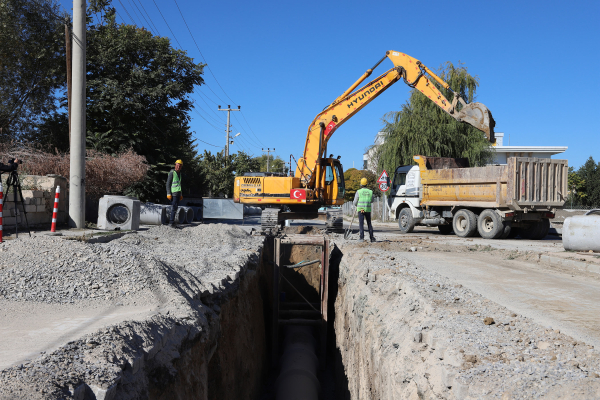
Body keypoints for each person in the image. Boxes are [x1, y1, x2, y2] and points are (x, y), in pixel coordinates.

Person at [353, 177, 375, 242]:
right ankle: (372, 238)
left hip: (361, 210)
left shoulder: (358, 192)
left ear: (361, 184)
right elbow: (372, 200)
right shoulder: (370, 192)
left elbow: (355, 201)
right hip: (367, 210)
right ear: (366, 184)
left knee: (361, 223)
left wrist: (356, 205)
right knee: (369, 223)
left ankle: (361, 238)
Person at [166, 159, 183, 227]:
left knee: (175, 208)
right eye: (177, 166)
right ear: (175, 165)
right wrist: (168, 193)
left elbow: (179, 185)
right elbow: (168, 184)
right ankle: (171, 222)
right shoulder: (172, 173)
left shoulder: (179, 174)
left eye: (180, 166)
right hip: (173, 193)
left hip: (178, 193)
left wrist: (181, 194)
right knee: (174, 208)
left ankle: (173, 222)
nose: (178, 167)